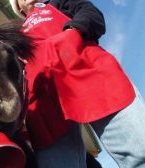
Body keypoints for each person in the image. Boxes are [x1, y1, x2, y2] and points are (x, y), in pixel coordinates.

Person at [9, 0, 145, 168]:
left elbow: (91, 13)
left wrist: (73, 31)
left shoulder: (62, 3)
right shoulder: (18, 36)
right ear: (19, 7)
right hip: (46, 97)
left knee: (138, 151)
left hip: (88, 71)